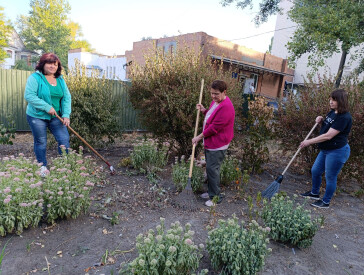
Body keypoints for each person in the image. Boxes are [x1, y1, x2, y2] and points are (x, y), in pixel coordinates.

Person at [299, 89, 352, 209]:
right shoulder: (332, 112)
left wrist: (308, 142)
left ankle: (326, 202)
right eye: (330, 99)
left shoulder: (344, 117)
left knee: (330, 176)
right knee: (315, 171)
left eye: (334, 100)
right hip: (326, 150)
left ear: (341, 101)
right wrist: (320, 121)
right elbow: (325, 128)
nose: (331, 102)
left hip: (337, 151)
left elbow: (328, 136)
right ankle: (314, 193)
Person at [24, 53, 71, 177]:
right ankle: (42, 167)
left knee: (64, 140)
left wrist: (66, 115)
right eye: (49, 63)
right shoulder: (35, 78)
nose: (52, 66)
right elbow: (29, 96)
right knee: (41, 142)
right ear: (43, 64)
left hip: (56, 117)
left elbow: (66, 98)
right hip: (37, 116)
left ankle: (64, 166)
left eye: (55, 64)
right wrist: (46, 107)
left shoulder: (60, 80)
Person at [192, 80, 235, 206]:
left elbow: (213, 128)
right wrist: (204, 110)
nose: (213, 96)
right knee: (210, 168)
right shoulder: (216, 102)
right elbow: (211, 116)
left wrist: (198, 138)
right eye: (211, 93)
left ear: (224, 92)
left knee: (212, 169)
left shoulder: (226, 107)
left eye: (216, 94)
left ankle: (216, 198)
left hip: (218, 144)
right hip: (211, 142)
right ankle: (211, 192)